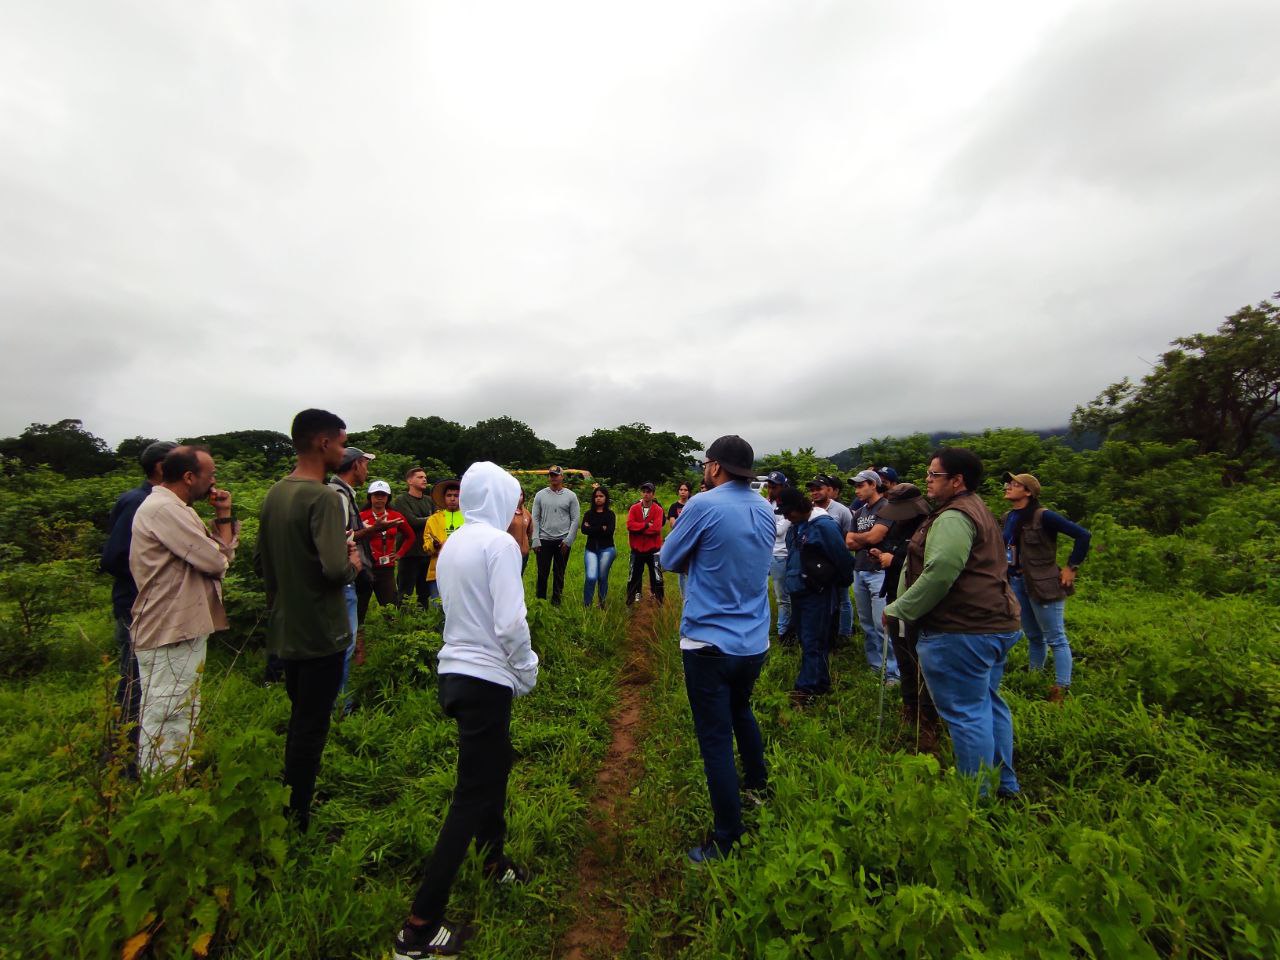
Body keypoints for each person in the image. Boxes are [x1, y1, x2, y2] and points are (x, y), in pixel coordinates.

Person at [392, 461, 537, 958]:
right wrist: (528, 666)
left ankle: (493, 861)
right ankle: (419, 927)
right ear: (499, 498)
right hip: (486, 678)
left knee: (494, 765)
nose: (519, 511)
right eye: (514, 500)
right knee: (471, 793)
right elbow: (510, 622)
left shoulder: (457, 541)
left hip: (455, 673)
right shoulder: (496, 545)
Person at [659, 435, 774, 862]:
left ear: (715, 467)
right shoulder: (764, 508)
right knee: (742, 710)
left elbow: (669, 560)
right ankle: (759, 787)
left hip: (708, 641)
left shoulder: (702, 505)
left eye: (706, 463)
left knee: (714, 741)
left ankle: (727, 837)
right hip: (753, 642)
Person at [884, 448, 1022, 797]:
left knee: (966, 712)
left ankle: (976, 797)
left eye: (934, 475)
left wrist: (900, 609)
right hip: (993, 623)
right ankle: (1003, 784)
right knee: (988, 703)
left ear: (956, 480)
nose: (928, 481)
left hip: (963, 628)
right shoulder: (977, 508)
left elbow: (942, 570)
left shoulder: (954, 516)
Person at [256, 409, 362, 830]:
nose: (343, 450)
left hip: (286, 627)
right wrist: (353, 560)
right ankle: (298, 814)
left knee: (300, 718)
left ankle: (292, 794)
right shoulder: (323, 497)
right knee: (311, 727)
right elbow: (336, 570)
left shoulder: (275, 493)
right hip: (322, 631)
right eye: (341, 442)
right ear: (323, 443)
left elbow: (263, 563)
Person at [129, 445, 237, 772]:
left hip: (181, 624)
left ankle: (174, 780)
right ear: (189, 477)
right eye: (211, 474)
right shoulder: (165, 510)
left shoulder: (179, 508)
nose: (215, 481)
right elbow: (216, 561)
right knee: (168, 711)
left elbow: (221, 556)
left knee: (180, 707)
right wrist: (219, 554)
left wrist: (223, 514)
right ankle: (164, 787)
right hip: (169, 627)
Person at [100, 439, 176, 767]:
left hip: (144, 605)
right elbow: (116, 557)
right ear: (162, 466)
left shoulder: (155, 500)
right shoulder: (141, 502)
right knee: (135, 680)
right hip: (137, 605)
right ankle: (123, 758)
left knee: (141, 679)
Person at [1001, 472, 1091, 702]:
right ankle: (1035, 676)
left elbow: (1083, 535)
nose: (1008, 486)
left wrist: (1071, 567)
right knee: (1033, 635)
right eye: (1008, 483)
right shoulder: (1008, 516)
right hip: (1017, 582)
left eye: (1014, 484)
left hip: (1044, 583)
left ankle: (1062, 688)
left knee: (1056, 637)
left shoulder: (1044, 516)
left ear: (1028, 492)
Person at [869, 480, 938, 753]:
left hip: (917, 601)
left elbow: (929, 566)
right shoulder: (898, 526)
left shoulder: (929, 526)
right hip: (894, 596)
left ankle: (929, 719)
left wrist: (893, 560)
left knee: (921, 660)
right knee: (903, 657)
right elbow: (895, 553)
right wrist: (882, 557)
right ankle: (909, 706)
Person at [779, 487, 854, 705]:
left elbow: (843, 558)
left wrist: (835, 584)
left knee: (813, 639)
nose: (786, 516)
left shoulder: (824, 526)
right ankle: (820, 682)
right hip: (797, 591)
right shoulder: (795, 528)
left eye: (789, 511)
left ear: (801, 507)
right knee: (806, 638)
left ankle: (806, 689)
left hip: (816, 592)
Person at [328, 447, 387, 677]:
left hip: (344, 575)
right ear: (355, 465)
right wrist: (375, 530)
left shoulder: (341, 493)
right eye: (366, 464)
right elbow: (340, 538)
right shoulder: (338, 496)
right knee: (343, 642)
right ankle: (340, 703)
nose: (367, 470)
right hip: (343, 577)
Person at [845, 470, 901, 685]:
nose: (857, 490)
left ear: (873, 485)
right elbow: (848, 542)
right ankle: (876, 665)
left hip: (878, 571)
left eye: (861, 486)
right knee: (867, 623)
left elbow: (877, 536)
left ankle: (893, 672)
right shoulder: (859, 512)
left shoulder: (887, 507)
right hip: (859, 569)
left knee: (882, 623)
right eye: (856, 486)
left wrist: (862, 539)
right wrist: (865, 539)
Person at [359, 479, 416, 622]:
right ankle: (358, 635)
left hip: (386, 568)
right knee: (360, 605)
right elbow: (353, 537)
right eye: (376, 494)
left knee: (390, 607)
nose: (379, 498)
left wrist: (399, 554)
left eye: (383, 495)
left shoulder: (395, 515)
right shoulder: (361, 516)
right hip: (365, 567)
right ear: (370, 497)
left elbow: (410, 536)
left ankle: (393, 637)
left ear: (388, 498)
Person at [808, 476, 854, 644]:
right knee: (823, 598)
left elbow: (850, 534)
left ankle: (844, 634)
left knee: (843, 598)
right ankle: (825, 632)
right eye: (812, 490)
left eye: (818, 488)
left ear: (828, 489)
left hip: (837, 561)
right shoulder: (809, 509)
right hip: (817, 564)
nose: (815, 492)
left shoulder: (841, 510)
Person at [531, 466, 581, 605]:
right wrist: (535, 538)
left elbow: (575, 519)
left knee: (559, 573)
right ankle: (540, 602)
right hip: (544, 540)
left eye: (556, 475)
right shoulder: (540, 495)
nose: (553, 477)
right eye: (551, 475)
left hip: (562, 541)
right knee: (542, 573)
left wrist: (569, 539)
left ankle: (556, 602)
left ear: (562, 477)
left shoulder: (571, 496)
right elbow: (535, 517)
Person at [393, 466, 435, 609]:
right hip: (408, 553)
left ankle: (422, 624)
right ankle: (402, 622)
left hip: (427, 552)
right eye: (420, 477)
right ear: (409, 481)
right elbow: (412, 522)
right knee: (405, 592)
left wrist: (428, 520)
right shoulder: (401, 500)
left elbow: (436, 522)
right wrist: (431, 519)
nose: (424, 479)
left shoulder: (430, 500)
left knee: (424, 593)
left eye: (425, 477)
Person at [424, 479, 464, 606]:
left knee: (460, 606)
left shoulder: (468, 518)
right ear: (444, 498)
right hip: (437, 569)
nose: (452, 499)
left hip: (462, 570)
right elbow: (426, 545)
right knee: (438, 606)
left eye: (456, 496)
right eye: (449, 495)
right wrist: (435, 545)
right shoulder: (433, 519)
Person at [764, 471, 793, 642]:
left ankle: (784, 633)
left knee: (783, 597)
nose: (770, 489)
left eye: (774, 486)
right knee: (765, 593)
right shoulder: (769, 503)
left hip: (781, 554)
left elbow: (779, 530)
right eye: (769, 485)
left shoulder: (788, 504)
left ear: (783, 486)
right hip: (767, 553)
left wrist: (765, 526)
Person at [626, 482, 665, 605]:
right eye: (644, 491)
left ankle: (659, 601)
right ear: (641, 493)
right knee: (633, 575)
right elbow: (629, 525)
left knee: (657, 576)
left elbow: (657, 529)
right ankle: (630, 601)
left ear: (653, 494)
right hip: (637, 549)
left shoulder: (658, 509)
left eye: (649, 492)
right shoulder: (634, 508)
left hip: (653, 549)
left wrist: (638, 529)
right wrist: (646, 525)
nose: (646, 494)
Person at [580, 486, 617, 608]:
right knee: (591, 577)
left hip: (607, 549)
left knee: (602, 576)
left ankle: (602, 604)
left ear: (606, 498)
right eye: (596, 496)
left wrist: (592, 528)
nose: (598, 498)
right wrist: (601, 527)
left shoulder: (610, 514)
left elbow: (609, 531)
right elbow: (584, 530)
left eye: (601, 496)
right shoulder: (588, 514)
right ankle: (587, 605)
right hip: (591, 550)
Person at [506, 488, 535, 574]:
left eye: (521, 495)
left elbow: (530, 532)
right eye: (516, 494)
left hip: (523, 553)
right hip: (508, 554)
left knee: (519, 577)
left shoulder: (527, 513)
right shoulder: (506, 512)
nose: (519, 497)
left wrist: (527, 545)